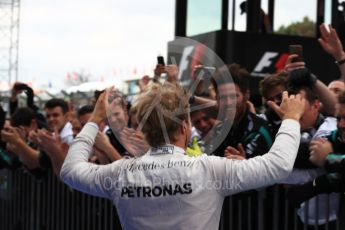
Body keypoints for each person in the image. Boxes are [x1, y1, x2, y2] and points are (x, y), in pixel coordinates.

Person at [61, 82, 305, 230]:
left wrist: (95, 120)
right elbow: (279, 165)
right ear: (183, 128)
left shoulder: (120, 173)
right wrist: (292, 119)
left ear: (146, 130)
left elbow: (70, 171)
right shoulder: (209, 169)